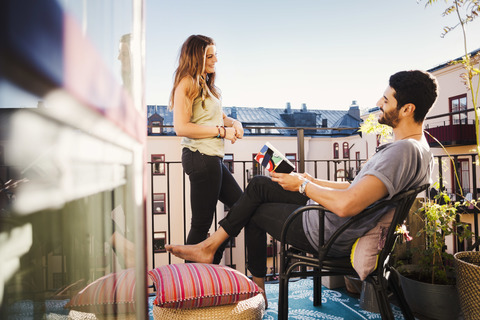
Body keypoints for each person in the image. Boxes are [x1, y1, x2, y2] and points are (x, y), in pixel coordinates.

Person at [166, 70, 438, 304]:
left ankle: (250, 284)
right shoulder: (419, 149)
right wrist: (309, 179)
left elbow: (347, 205)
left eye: (387, 99)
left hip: (326, 230)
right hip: (328, 216)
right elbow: (353, 187)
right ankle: (213, 249)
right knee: (260, 185)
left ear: (407, 109)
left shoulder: (401, 153)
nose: (379, 102)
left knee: (253, 210)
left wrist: (303, 186)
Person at [169, 35, 244, 264]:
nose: (215, 61)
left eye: (215, 55)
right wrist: (221, 131)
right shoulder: (187, 82)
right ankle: (190, 283)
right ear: (196, 57)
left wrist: (235, 123)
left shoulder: (206, 85)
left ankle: (209, 256)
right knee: (201, 224)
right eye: (209, 56)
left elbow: (218, 117)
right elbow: (181, 127)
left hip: (213, 159)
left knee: (243, 207)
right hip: (200, 157)